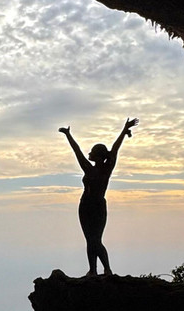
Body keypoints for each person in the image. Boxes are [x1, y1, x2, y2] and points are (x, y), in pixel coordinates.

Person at [58, 118, 139, 276]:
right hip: (86, 206)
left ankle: (106, 269)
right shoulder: (91, 168)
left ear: (98, 155)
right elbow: (78, 151)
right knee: (90, 240)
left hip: (96, 207)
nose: (89, 153)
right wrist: (68, 135)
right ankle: (94, 270)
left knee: (95, 240)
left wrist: (124, 130)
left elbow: (114, 149)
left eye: (92, 152)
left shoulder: (102, 169)